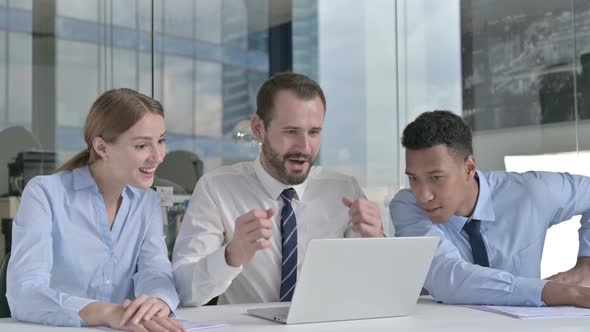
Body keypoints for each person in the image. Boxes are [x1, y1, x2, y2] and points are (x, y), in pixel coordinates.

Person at [172, 72, 384, 306]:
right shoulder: (217, 189)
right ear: (259, 128)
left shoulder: (344, 190)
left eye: (314, 132)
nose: (304, 146)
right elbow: (183, 291)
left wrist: (378, 241)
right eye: (291, 131)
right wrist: (232, 255)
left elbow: (378, 288)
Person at [7, 88, 185, 331]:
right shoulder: (45, 194)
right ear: (102, 148)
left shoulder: (147, 202)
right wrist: (109, 312)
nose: (158, 156)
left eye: (161, 141)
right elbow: (25, 294)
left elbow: (155, 271)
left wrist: (157, 301)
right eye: (142, 146)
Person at [390, 110, 590, 308]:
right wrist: (558, 291)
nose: (424, 195)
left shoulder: (531, 192)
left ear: (469, 167)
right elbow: (448, 278)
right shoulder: (408, 206)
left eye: (436, 178)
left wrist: (586, 265)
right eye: (413, 178)